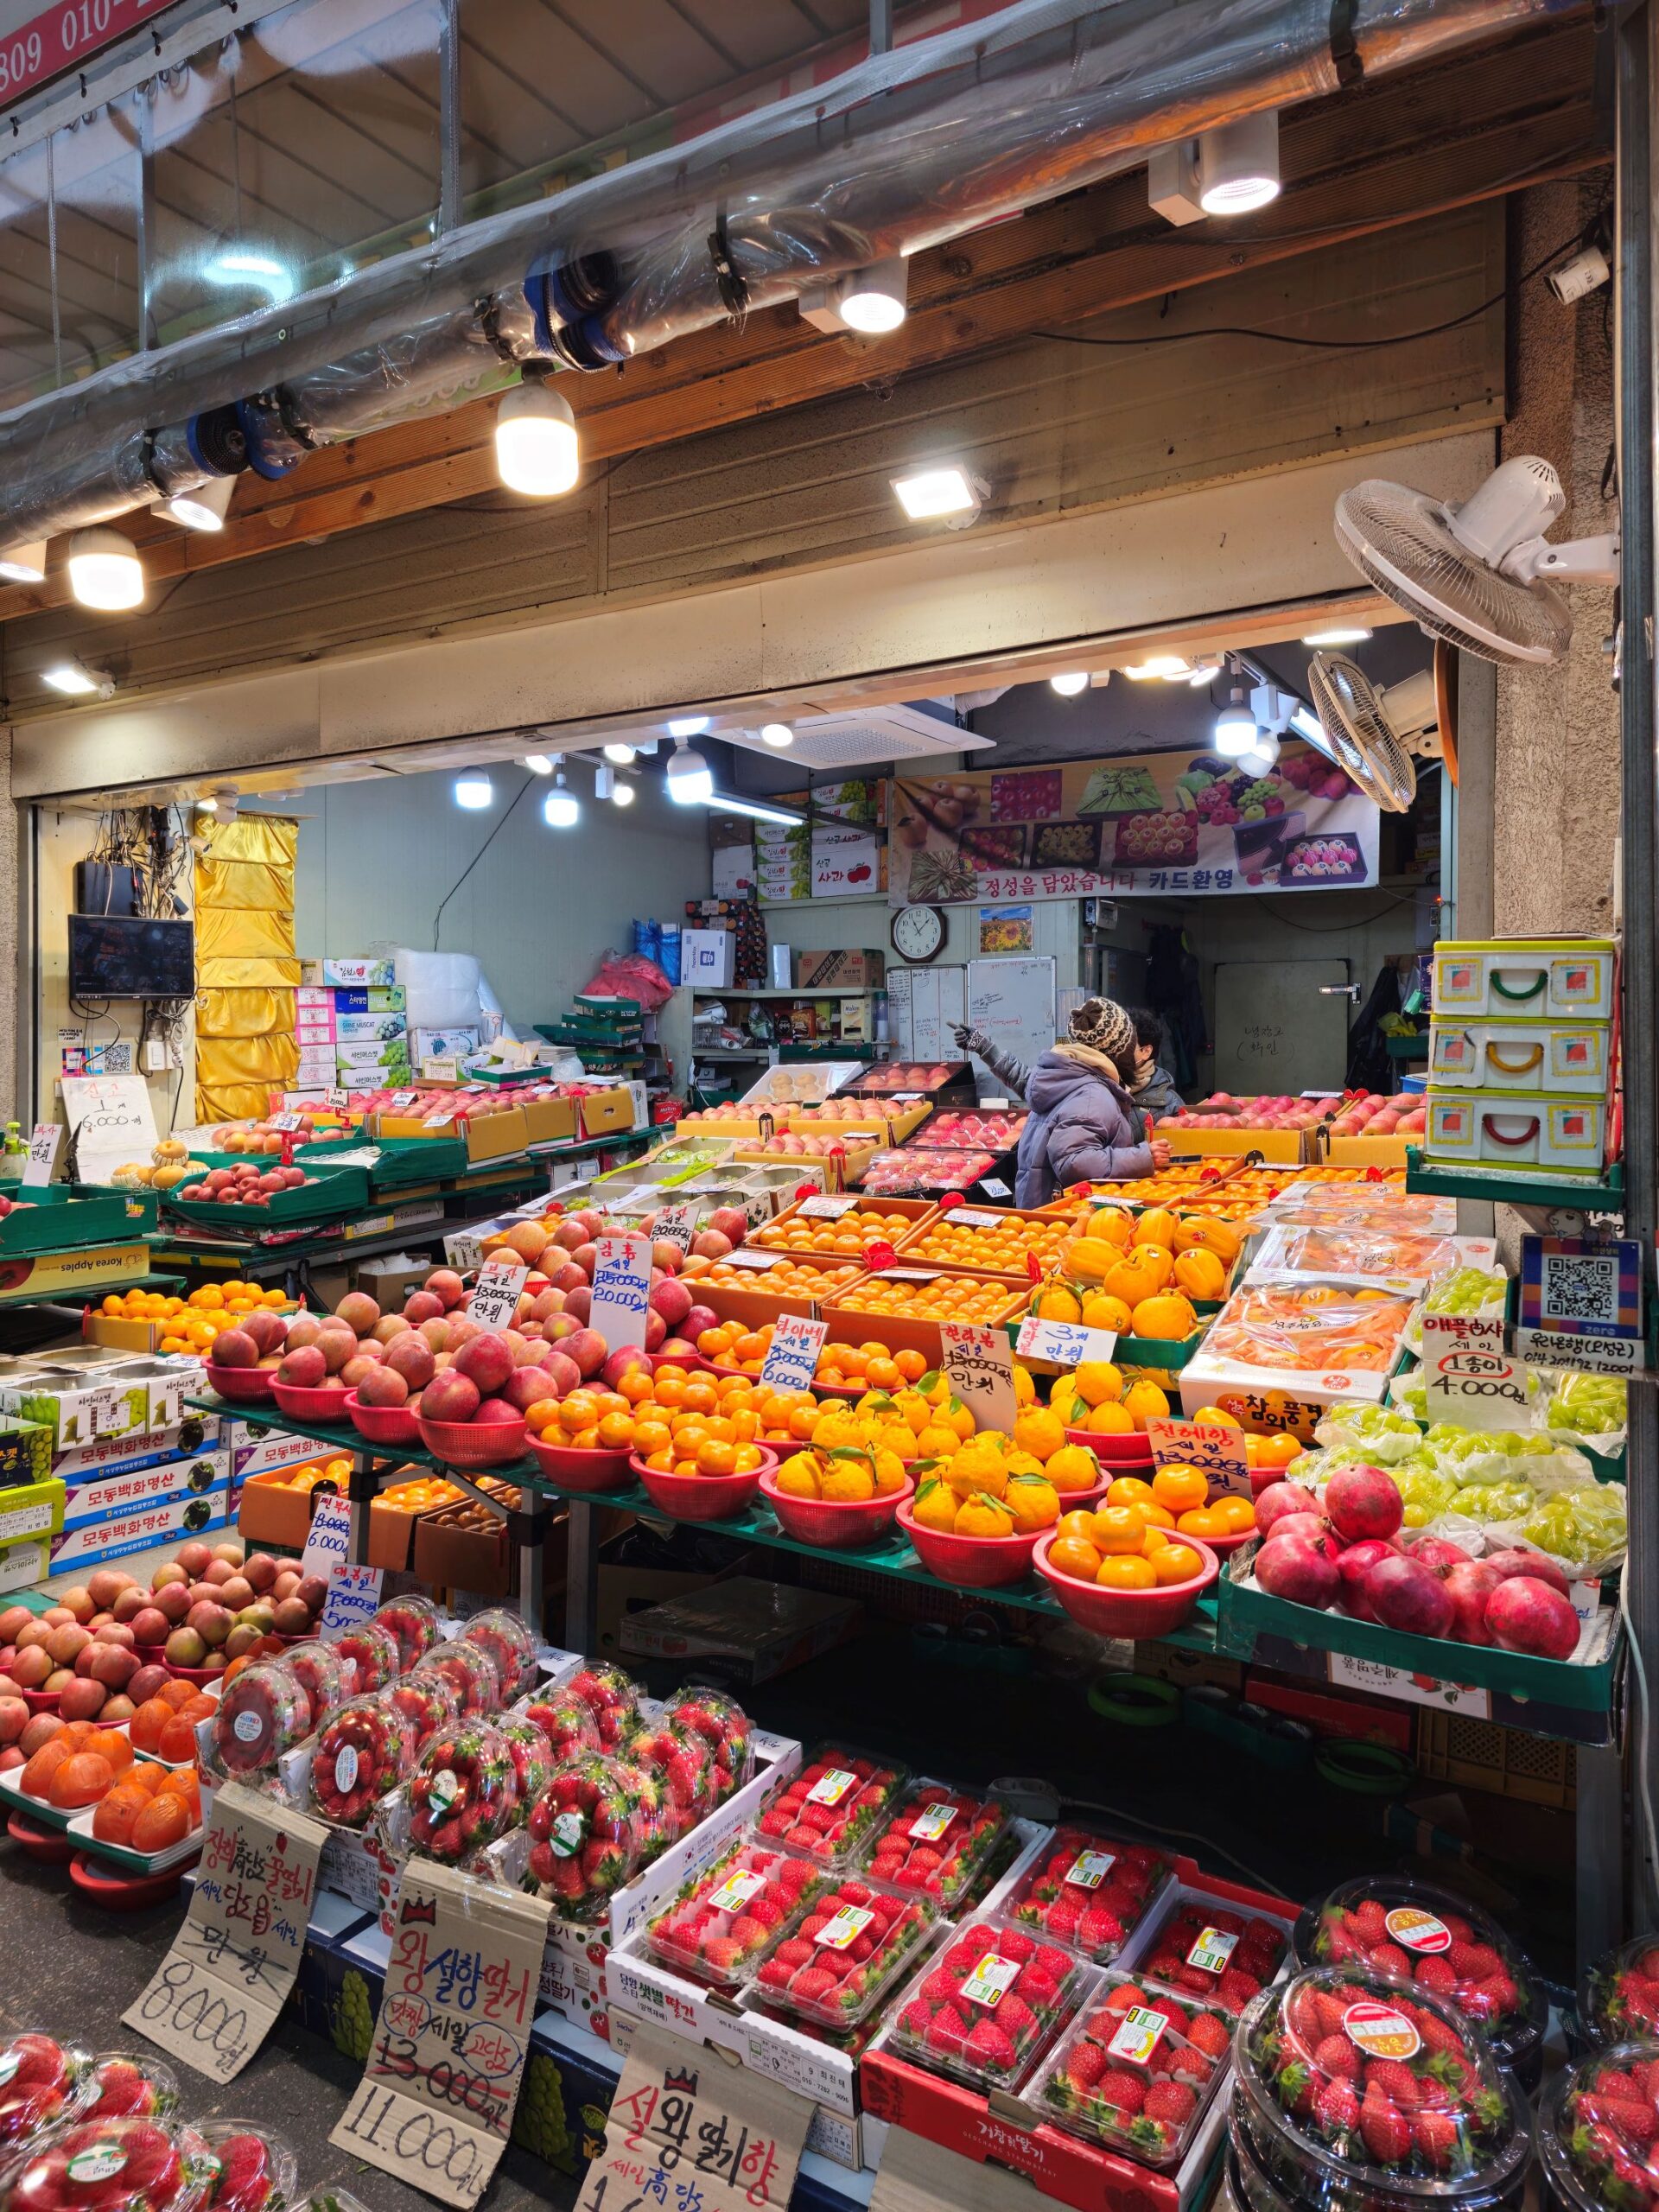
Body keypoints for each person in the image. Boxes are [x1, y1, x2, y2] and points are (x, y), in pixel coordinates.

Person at [1013, 998, 1171, 1206]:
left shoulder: (1064, 1079)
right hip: (1067, 1219)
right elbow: (1074, 1162)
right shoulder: (1091, 1095)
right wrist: (1142, 1157)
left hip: (1043, 1217)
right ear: (1118, 1049)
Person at [1128, 1006, 1185, 1118]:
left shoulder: (1170, 1104)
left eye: (1125, 1044)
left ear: (1146, 1051)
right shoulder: (1100, 1088)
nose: (1116, 1050)